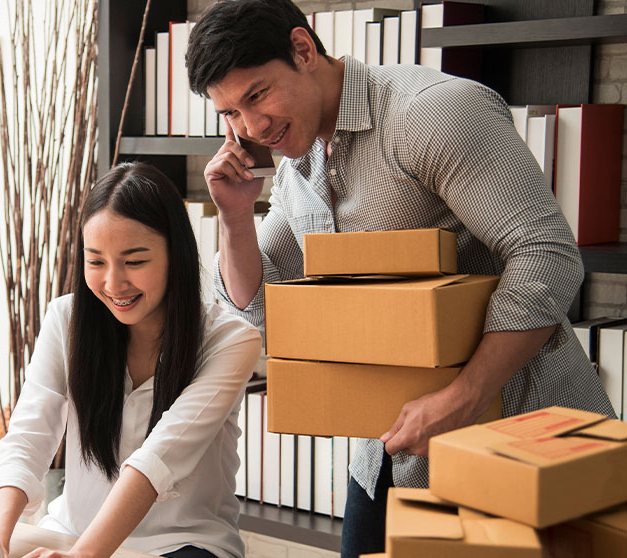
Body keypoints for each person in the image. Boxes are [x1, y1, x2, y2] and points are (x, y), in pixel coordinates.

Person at [185, 1, 616, 557]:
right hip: (392, 451)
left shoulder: (433, 113)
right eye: (230, 113)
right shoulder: (299, 160)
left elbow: (547, 256)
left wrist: (464, 396)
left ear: (303, 50)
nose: (250, 128)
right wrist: (237, 219)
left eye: (256, 96)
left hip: (519, 433)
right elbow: (260, 307)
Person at [0, 162, 262, 558]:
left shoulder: (232, 340)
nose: (113, 284)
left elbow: (157, 461)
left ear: (174, 255)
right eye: (96, 262)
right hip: (73, 532)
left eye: (134, 261)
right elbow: (28, 439)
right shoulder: (66, 320)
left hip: (182, 544)